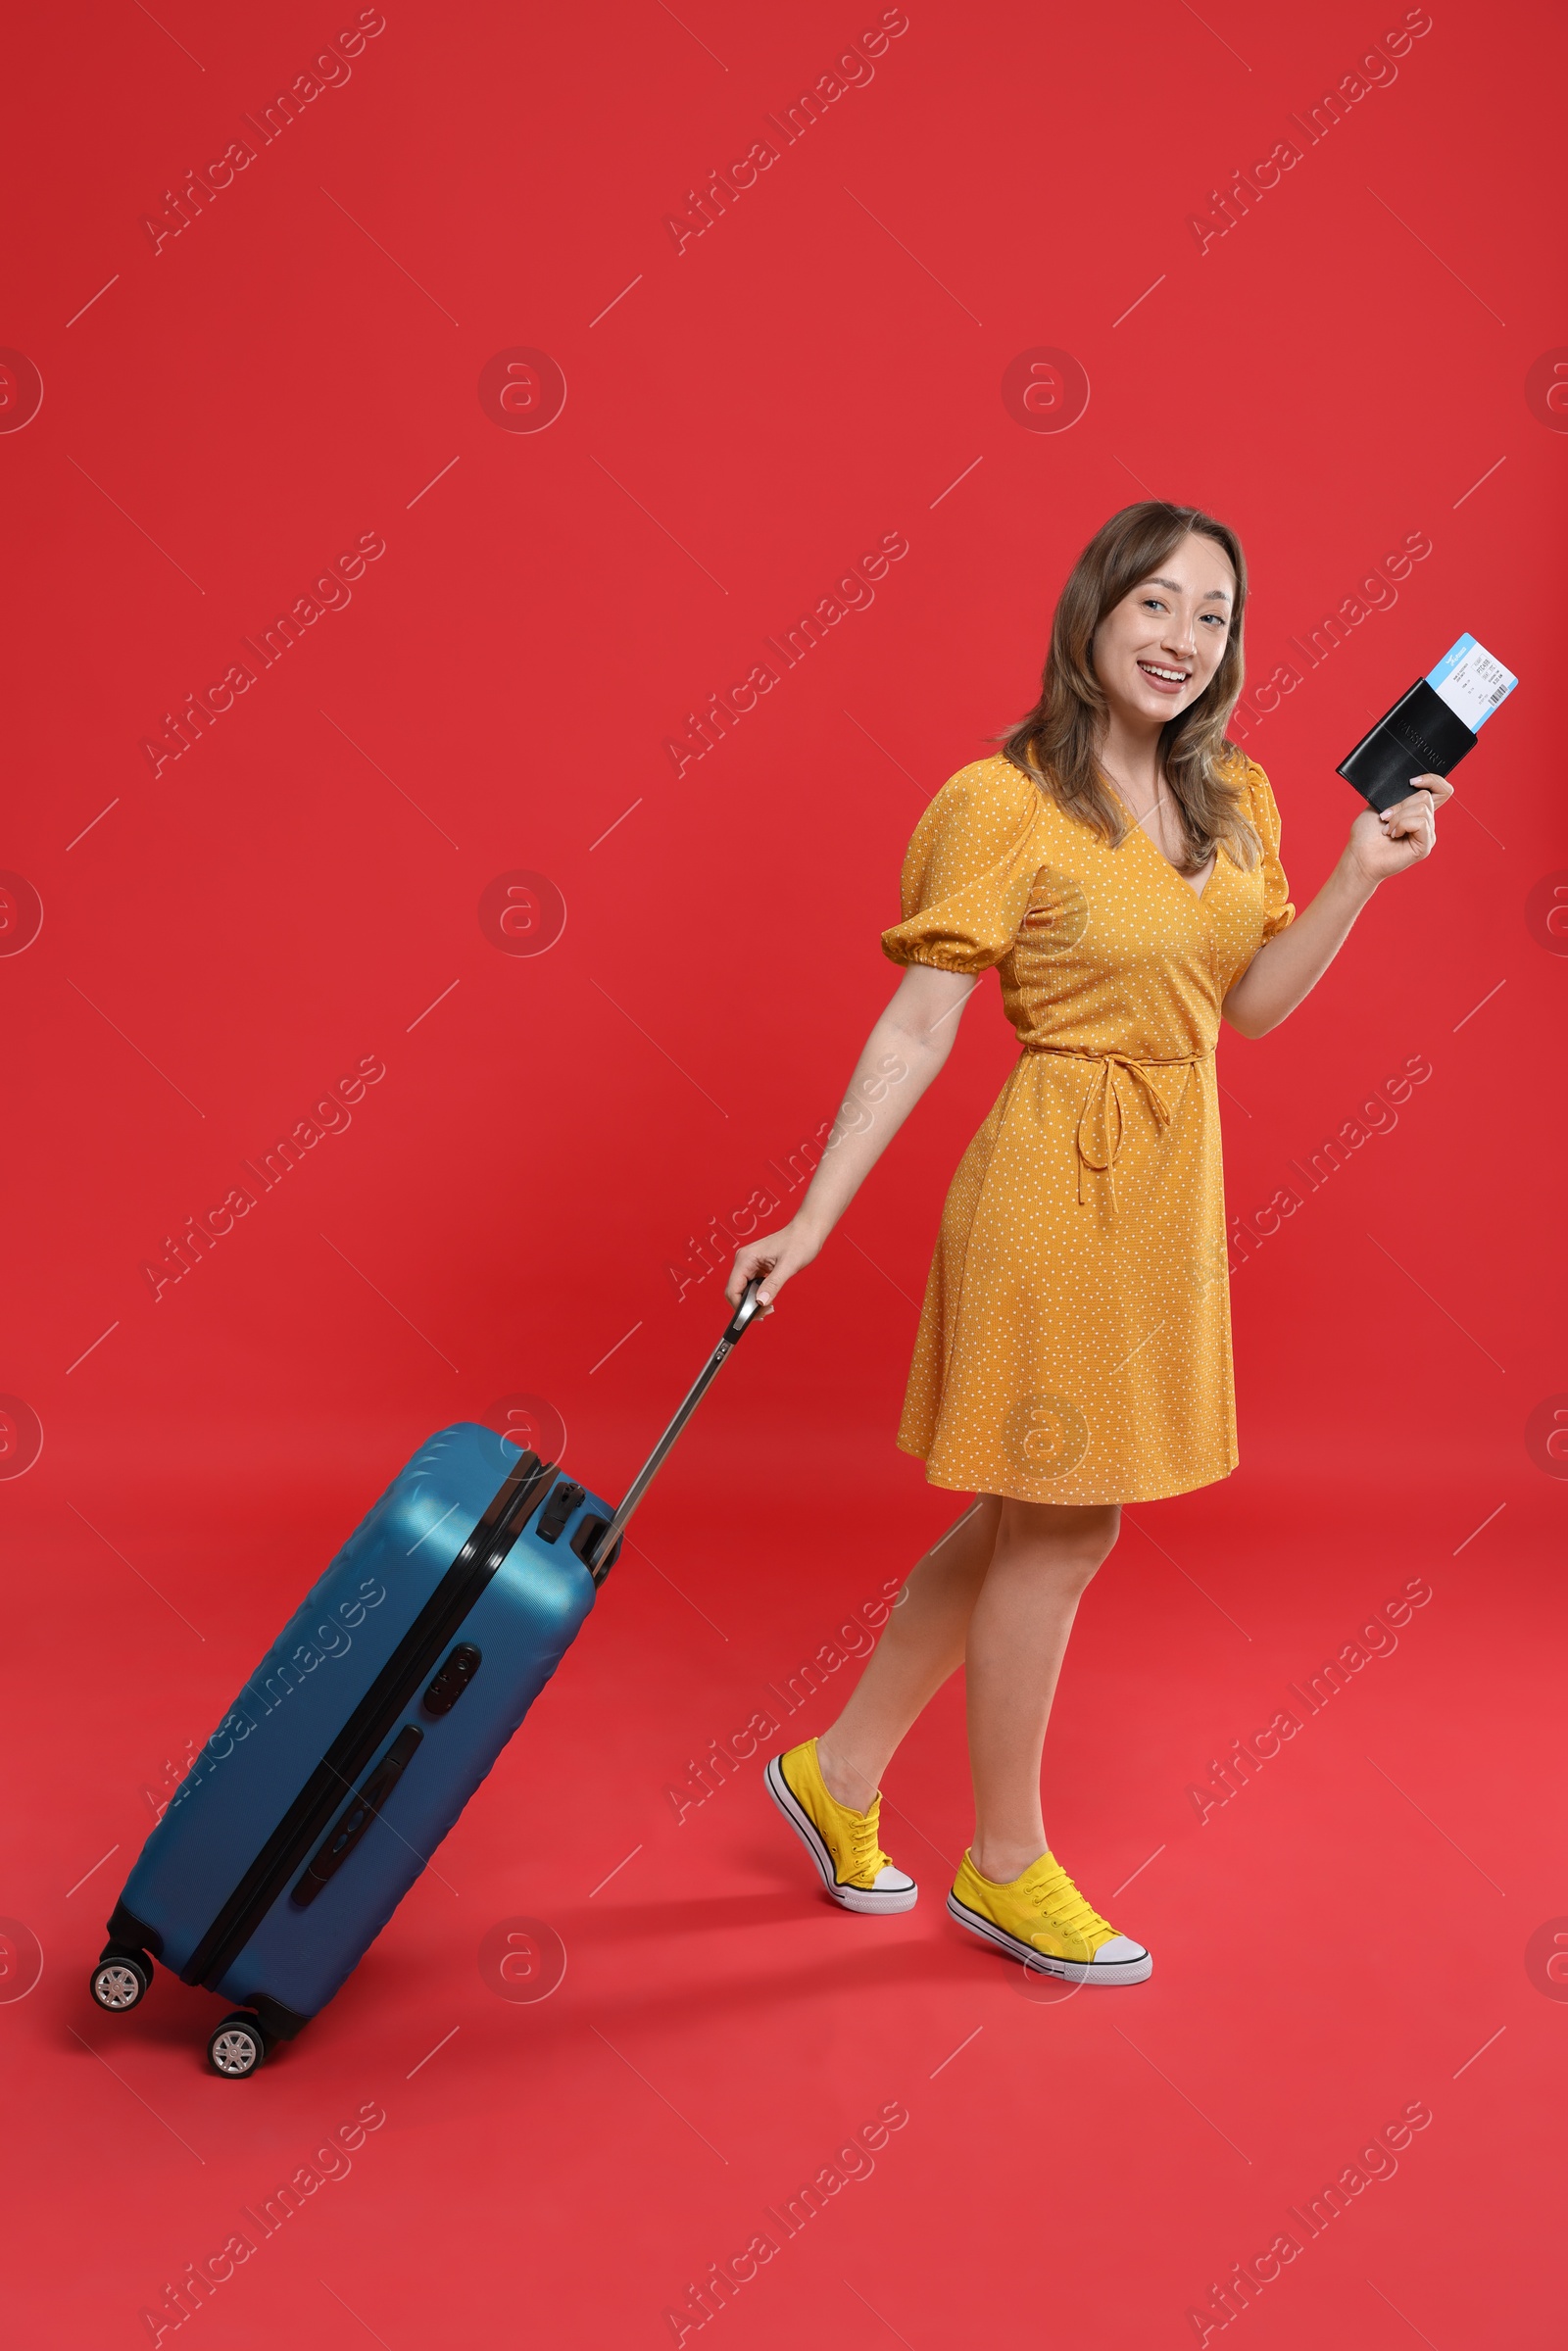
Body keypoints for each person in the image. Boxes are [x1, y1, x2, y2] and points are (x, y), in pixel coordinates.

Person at [725, 501, 1450, 1985]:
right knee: (1069, 1521)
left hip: (1170, 1188)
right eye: (1158, 605)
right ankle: (1005, 1868)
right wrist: (814, 1212)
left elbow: (1244, 1009)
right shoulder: (1003, 802)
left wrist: (1365, 880)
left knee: (1023, 1516)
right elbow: (922, 1019)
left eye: (1214, 616)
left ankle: (838, 1776)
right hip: (1052, 1181)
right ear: (1093, 613)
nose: (1185, 640)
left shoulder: (1240, 795)